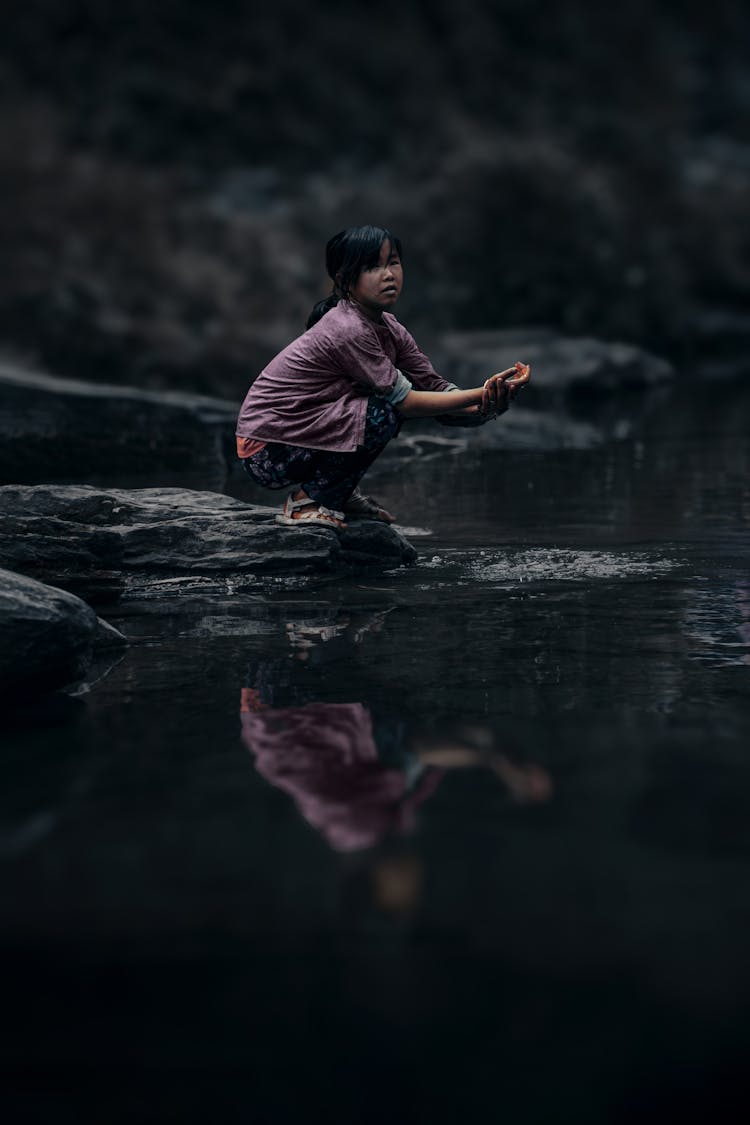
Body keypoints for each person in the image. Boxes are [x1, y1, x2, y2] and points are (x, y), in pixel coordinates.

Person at [236, 224, 531, 529]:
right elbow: (407, 403)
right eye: (372, 266)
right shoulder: (347, 328)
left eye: (393, 262)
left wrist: (494, 401)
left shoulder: (389, 328)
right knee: (381, 413)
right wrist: (480, 393)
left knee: (380, 410)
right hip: (266, 451)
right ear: (344, 279)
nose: (388, 274)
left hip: (298, 437)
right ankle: (305, 502)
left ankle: (336, 494)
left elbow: (437, 391)